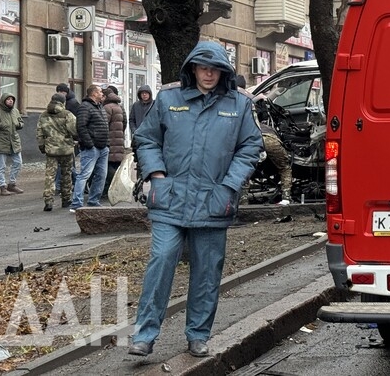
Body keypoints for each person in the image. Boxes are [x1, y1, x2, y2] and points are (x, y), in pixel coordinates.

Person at [128, 41, 262, 359]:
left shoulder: (238, 104)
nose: (208, 74)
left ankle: (198, 334)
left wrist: (229, 185)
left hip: (215, 201)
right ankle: (144, 335)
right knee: (161, 262)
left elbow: (250, 147)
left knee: (207, 271)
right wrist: (156, 175)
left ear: (223, 71)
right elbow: (146, 138)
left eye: (214, 68)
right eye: (202, 67)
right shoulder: (169, 98)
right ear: (192, 68)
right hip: (170, 199)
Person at [70, 84, 109, 212]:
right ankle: (76, 203)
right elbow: (81, 126)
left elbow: (103, 125)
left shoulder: (100, 106)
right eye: (99, 91)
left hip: (103, 147)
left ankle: (93, 201)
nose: (102, 93)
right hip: (91, 148)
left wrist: (106, 144)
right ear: (93, 94)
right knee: (84, 175)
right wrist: (89, 144)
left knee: (101, 175)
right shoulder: (85, 107)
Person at [36, 92, 77, 211]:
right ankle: (66, 199)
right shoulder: (67, 114)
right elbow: (74, 130)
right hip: (66, 149)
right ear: (63, 102)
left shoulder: (43, 115)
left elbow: (39, 133)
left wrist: (42, 147)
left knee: (50, 176)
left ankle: (48, 201)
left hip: (51, 150)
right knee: (66, 174)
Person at [0, 92, 25, 196]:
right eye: (8, 99)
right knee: (1, 166)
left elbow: (21, 122)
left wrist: (19, 124)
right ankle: (3, 187)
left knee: (18, 162)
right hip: (1, 142)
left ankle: (12, 184)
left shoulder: (15, 111)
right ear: (3, 100)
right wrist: (0, 125)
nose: (10, 101)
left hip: (14, 141)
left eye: (12, 99)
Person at [101, 86, 128, 198]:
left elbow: (102, 125)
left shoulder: (106, 108)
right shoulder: (119, 107)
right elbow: (125, 123)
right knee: (116, 165)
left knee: (108, 166)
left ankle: (109, 190)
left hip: (110, 141)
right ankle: (118, 189)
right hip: (119, 140)